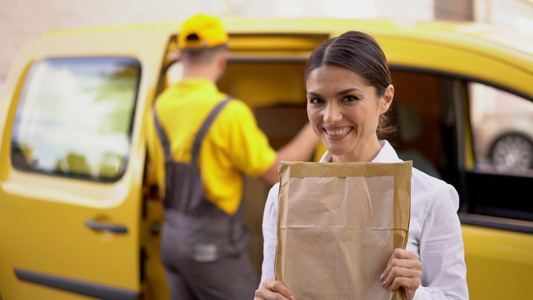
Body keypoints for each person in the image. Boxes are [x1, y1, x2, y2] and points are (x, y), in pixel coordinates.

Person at [255, 31, 469, 300]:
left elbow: (454, 296)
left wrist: (415, 293)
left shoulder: (430, 196)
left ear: (386, 99)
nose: (330, 117)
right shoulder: (283, 196)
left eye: (349, 98)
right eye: (317, 100)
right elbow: (271, 287)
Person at [145, 14, 317, 300]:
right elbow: (276, 173)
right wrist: (316, 126)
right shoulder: (228, 114)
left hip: (171, 239)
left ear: (179, 56)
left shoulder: (159, 107)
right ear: (222, 59)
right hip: (210, 250)